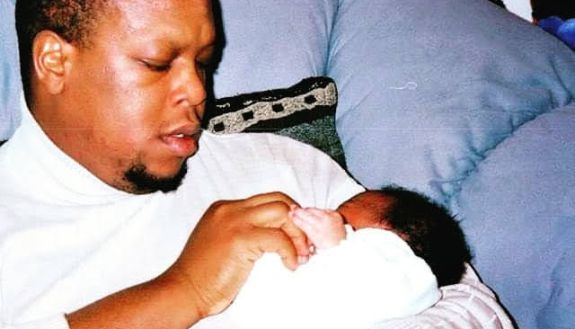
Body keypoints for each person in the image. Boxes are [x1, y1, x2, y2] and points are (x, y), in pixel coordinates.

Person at [0, 0, 363, 328]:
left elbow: (413, 299)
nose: (197, 91)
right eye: (157, 63)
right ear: (54, 61)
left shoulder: (288, 169)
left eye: (202, 63)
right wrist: (186, 290)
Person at [195, 186, 471, 329]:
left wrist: (338, 243)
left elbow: (390, 285)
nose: (327, 215)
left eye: (343, 214)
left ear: (393, 237)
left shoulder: (405, 275)